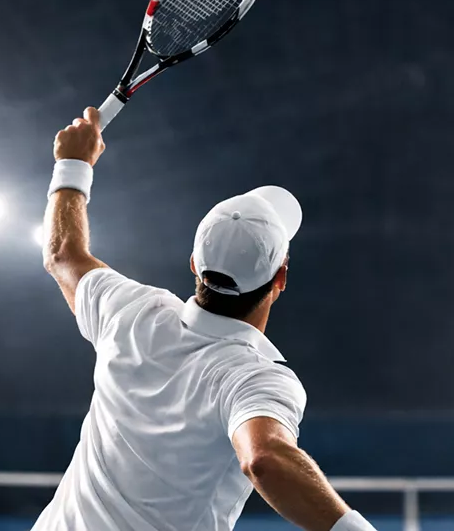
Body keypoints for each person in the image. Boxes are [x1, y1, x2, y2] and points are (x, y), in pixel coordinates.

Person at [32, 106, 377, 531]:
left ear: (195, 264)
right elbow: (264, 459)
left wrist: (72, 164)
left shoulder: (129, 310)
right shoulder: (254, 378)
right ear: (280, 279)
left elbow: (62, 253)